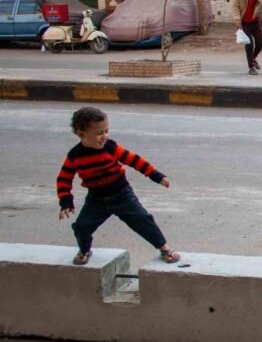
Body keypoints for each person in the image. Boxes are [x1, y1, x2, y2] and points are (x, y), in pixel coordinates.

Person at [57, 107, 179, 266]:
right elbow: (64, 178)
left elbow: (135, 160)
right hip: (96, 200)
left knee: (143, 220)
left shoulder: (111, 147)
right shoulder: (75, 155)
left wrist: (157, 176)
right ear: (81, 134)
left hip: (122, 195)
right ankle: (85, 250)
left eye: (106, 131)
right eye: (99, 133)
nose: (104, 136)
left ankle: (165, 249)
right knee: (81, 227)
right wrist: (66, 201)